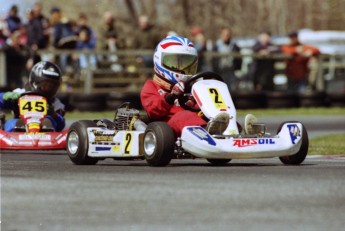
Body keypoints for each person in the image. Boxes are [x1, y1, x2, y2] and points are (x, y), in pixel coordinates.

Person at [140, 35, 230, 137]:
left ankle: (235, 131)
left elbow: (199, 109)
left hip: (194, 123)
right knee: (183, 116)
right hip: (166, 128)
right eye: (175, 63)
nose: (181, 69)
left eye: (186, 63)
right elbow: (153, 110)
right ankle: (208, 132)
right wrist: (171, 96)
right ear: (159, 60)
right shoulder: (151, 86)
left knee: (218, 115)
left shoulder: (191, 87)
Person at [0, 61, 65, 132]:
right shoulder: (20, 93)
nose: (49, 89)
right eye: (45, 85)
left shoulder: (56, 103)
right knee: (12, 122)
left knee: (49, 121)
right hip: (21, 124)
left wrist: (53, 114)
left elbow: (61, 124)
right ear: (35, 82)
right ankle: (18, 129)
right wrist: (6, 96)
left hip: (44, 128)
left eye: (52, 86)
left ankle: (46, 131)